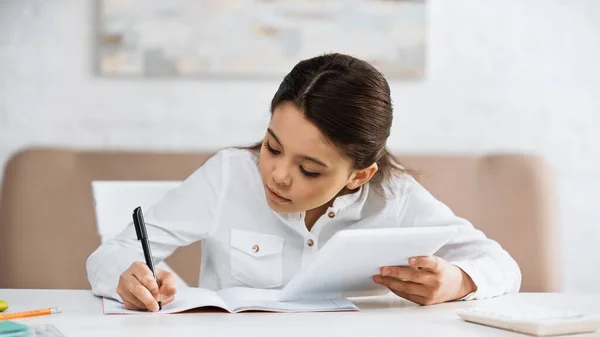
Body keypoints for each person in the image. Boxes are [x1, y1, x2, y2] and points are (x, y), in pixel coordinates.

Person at [86, 53, 521, 312]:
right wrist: (128, 279)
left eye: (310, 170)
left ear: (359, 176)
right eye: (272, 147)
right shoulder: (228, 175)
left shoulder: (394, 195)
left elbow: (500, 264)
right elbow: (113, 253)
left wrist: (458, 281)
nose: (278, 174)